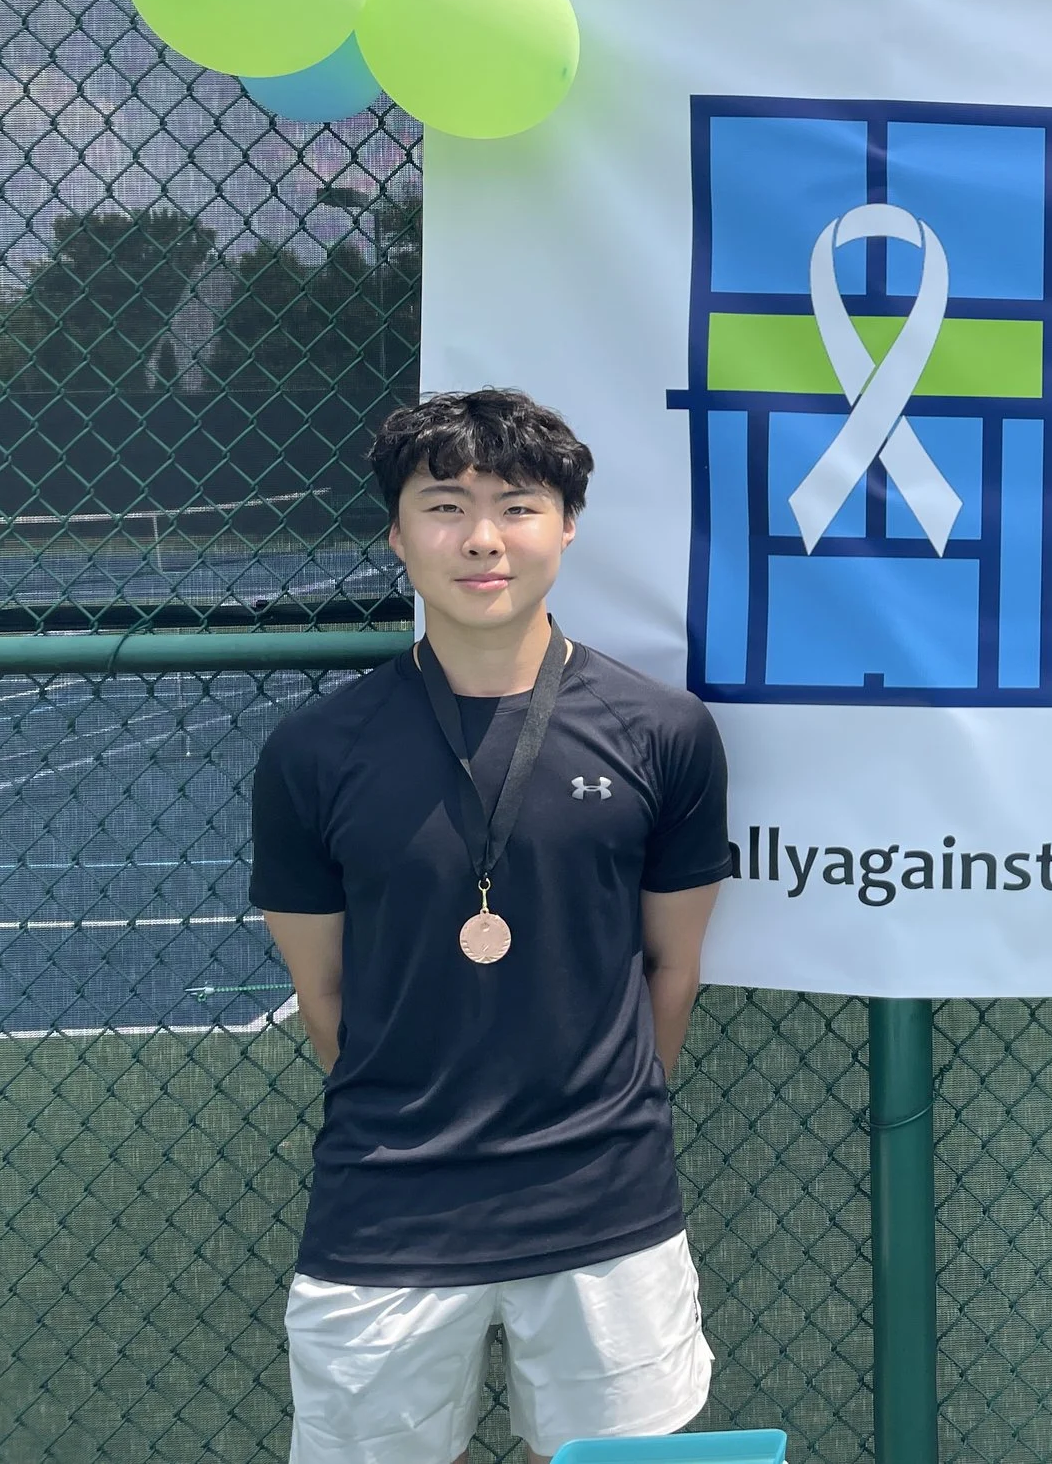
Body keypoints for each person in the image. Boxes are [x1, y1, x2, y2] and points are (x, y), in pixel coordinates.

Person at [253, 389, 734, 1464]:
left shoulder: (663, 733)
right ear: (396, 534)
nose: (482, 539)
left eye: (518, 506)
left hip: (607, 1210)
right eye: (444, 507)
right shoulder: (313, 754)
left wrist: (598, 1122)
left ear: (567, 526)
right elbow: (324, 995)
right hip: (387, 1210)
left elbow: (673, 967)